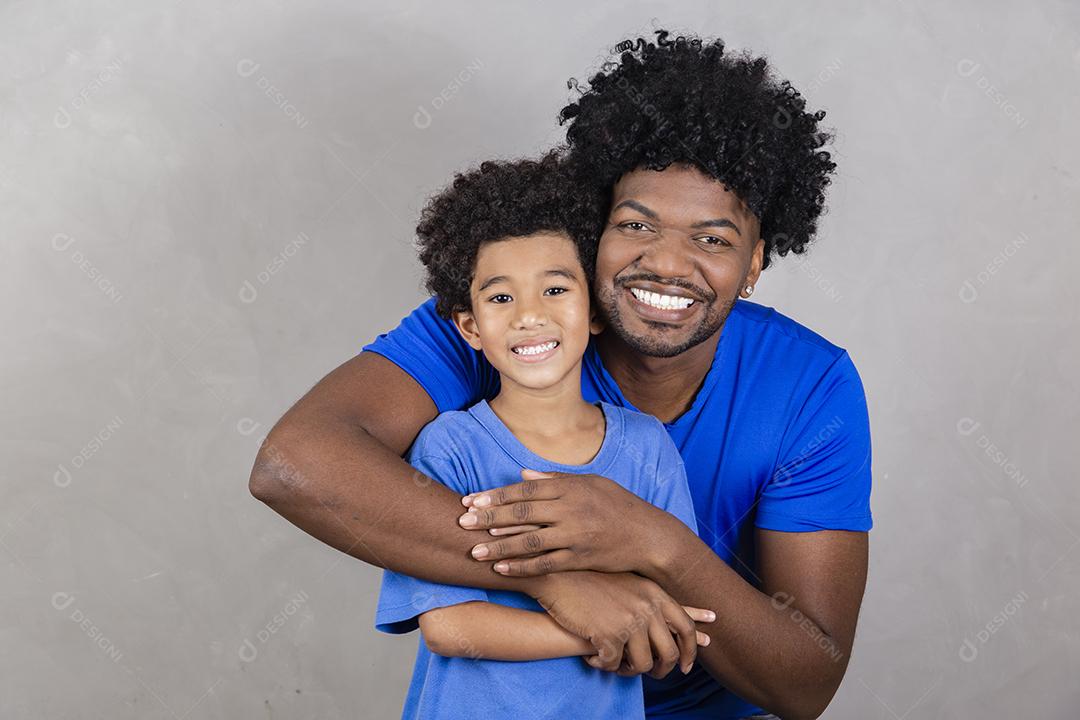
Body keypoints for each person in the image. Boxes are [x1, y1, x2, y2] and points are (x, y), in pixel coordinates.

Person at [250, 30, 871, 720]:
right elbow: (294, 463)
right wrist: (557, 576)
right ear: (592, 230)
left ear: (754, 264)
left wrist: (654, 541)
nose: (667, 263)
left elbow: (806, 680)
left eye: (712, 239)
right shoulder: (513, 324)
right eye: (636, 225)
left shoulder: (810, 386)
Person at [375, 154, 711, 719]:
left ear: (595, 310)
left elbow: (675, 619)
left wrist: (644, 624)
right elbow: (452, 628)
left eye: (555, 290)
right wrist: (598, 627)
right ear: (471, 327)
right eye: (502, 298)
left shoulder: (647, 448)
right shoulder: (450, 448)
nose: (530, 316)